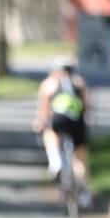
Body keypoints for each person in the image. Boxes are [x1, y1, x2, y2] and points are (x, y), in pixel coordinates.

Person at [33, 57, 92, 209]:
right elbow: (87, 106)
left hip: (58, 119)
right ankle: (84, 192)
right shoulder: (79, 82)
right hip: (77, 121)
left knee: (49, 132)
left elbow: (44, 111)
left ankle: (55, 162)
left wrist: (39, 122)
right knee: (80, 157)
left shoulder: (49, 83)